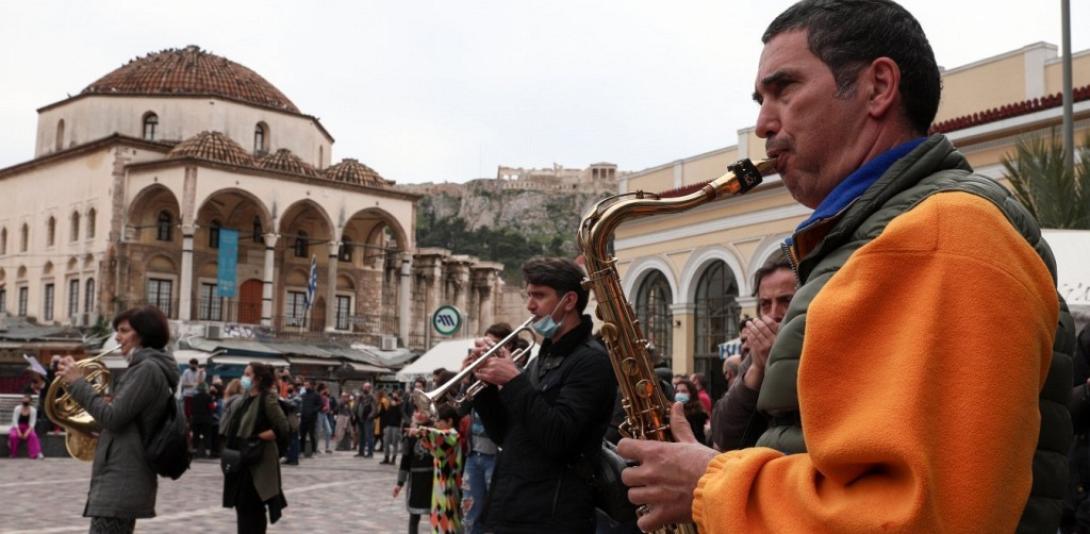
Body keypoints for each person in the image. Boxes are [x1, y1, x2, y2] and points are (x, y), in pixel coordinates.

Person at [616, 2, 1074, 532]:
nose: (762, 124)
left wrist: (713, 486)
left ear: (878, 87)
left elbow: (924, 515)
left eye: (784, 89)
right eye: (760, 100)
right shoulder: (895, 233)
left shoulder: (944, 233)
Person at [466, 257, 617, 533]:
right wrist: (484, 385)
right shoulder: (541, 359)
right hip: (513, 508)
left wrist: (513, 380)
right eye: (529, 295)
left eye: (539, 295)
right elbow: (508, 435)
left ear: (569, 301)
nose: (530, 305)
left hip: (551, 516)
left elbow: (558, 437)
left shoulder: (592, 362)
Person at [58, 305, 180, 534]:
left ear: (143, 334)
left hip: (122, 479)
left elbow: (113, 418)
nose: (117, 337)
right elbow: (120, 420)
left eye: (124, 330)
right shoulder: (141, 368)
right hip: (119, 474)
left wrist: (77, 382)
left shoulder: (147, 370)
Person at [710, 250, 796, 451]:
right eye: (765, 304)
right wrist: (757, 368)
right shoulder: (754, 356)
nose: (773, 314)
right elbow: (723, 434)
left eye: (786, 300)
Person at [222, 362, 290, 534]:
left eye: (248, 374)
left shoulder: (267, 398)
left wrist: (260, 436)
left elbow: (283, 427)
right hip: (242, 459)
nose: (244, 378)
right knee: (242, 505)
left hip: (258, 460)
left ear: (258, 379)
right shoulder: (245, 399)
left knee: (252, 506)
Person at [459, 322, 508, 534]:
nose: (485, 350)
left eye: (492, 345)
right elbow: (461, 409)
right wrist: (465, 378)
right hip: (473, 456)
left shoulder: (511, 375)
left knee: (496, 516)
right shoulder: (478, 377)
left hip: (496, 456)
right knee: (470, 516)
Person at [410, 403, 464, 534]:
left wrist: (420, 431)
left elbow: (435, 436)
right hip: (440, 487)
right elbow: (434, 442)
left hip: (449, 487)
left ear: (449, 421)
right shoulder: (447, 436)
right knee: (439, 522)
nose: (436, 424)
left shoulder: (453, 435)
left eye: (439, 421)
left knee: (449, 523)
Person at [395, 410, 436, 534]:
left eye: (423, 412)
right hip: (416, 481)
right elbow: (405, 460)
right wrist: (400, 483)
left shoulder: (435, 433)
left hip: (432, 480)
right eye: (417, 411)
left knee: (435, 515)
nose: (420, 415)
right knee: (414, 516)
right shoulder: (409, 436)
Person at [672, 379, 708, 446]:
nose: (679, 394)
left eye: (684, 391)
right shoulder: (674, 410)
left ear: (691, 393)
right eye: (677, 391)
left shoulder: (697, 413)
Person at [8, 394, 43, 459]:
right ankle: (13, 453)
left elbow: (32, 423)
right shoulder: (17, 408)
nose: (25, 401)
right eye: (24, 400)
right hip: (17, 427)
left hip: (27, 427)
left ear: (30, 402)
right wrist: (19, 432)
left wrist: (27, 433)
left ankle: (36, 453)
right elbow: (14, 420)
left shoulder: (33, 410)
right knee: (13, 436)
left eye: (27, 400)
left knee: (33, 436)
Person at [190, 382, 216, 458]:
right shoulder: (209, 397)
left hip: (196, 419)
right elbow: (212, 407)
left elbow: (191, 408)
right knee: (207, 436)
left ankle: (194, 452)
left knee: (196, 436)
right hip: (206, 419)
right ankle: (207, 453)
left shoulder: (194, 397)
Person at [298, 379, 320, 458]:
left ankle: (313, 451)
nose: (306, 386)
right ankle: (302, 451)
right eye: (305, 385)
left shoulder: (316, 395)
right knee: (302, 435)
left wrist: (313, 411)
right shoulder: (303, 395)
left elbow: (319, 405)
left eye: (307, 385)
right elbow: (300, 405)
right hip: (303, 417)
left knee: (312, 435)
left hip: (312, 418)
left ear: (311, 385)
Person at [380, 390, 404, 464]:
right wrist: (384, 425)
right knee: (386, 442)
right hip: (388, 425)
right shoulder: (390, 404)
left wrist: (397, 405)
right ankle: (386, 458)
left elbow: (401, 415)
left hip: (396, 426)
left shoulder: (401, 404)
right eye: (394, 394)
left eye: (396, 394)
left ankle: (393, 459)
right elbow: (386, 414)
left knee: (395, 442)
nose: (394, 396)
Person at [355, 382, 377, 457]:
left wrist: (370, 416)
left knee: (369, 436)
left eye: (367, 387)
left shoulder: (372, 397)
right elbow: (357, 405)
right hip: (360, 418)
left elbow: (374, 409)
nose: (365, 388)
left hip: (368, 419)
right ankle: (361, 452)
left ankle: (370, 453)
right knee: (361, 436)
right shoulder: (360, 396)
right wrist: (355, 414)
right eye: (364, 387)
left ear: (370, 388)